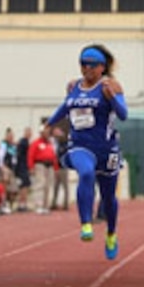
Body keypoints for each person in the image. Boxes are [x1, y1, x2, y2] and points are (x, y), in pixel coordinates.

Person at [46, 44, 127, 260]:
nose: (87, 69)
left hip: (106, 148)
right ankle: (86, 224)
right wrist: (49, 124)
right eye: (83, 64)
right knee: (86, 173)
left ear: (102, 67)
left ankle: (111, 233)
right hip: (80, 145)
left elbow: (123, 115)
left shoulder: (111, 85)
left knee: (109, 197)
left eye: (92, 65)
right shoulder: (73, 86)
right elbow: (65, 107)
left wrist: (111, 98)